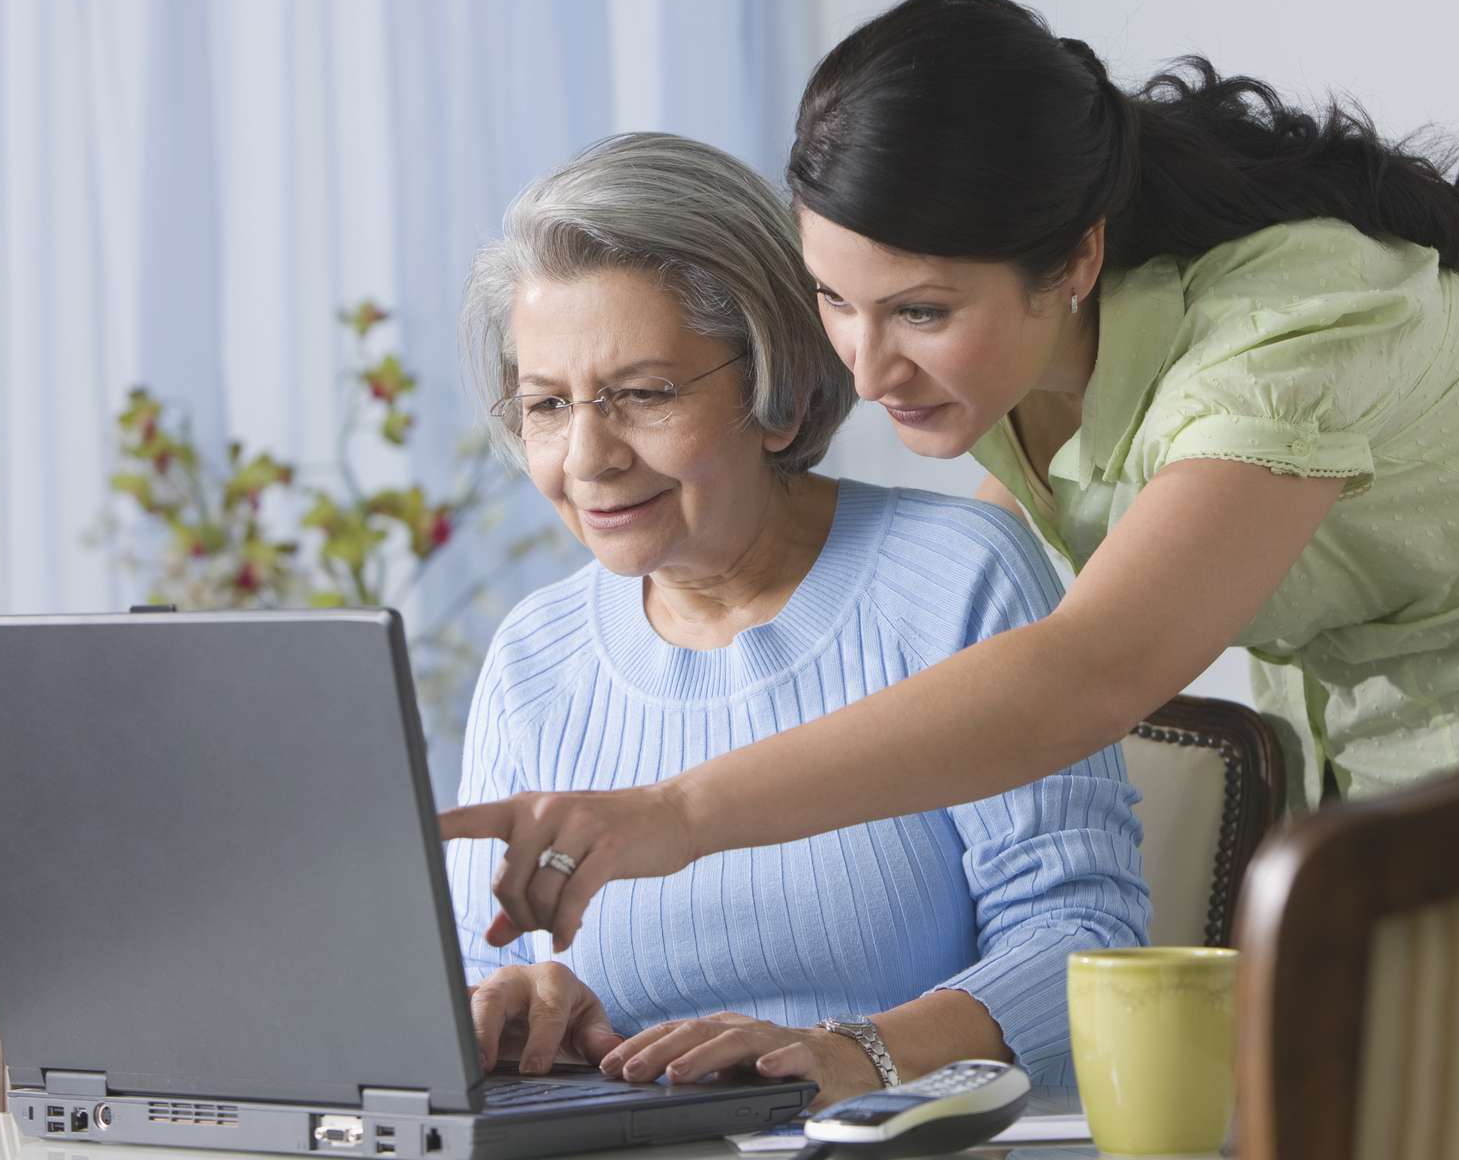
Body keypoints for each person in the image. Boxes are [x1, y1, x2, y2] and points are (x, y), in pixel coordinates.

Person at [445, 0, 1459, 952]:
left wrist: (679, 811)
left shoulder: (1280, 335)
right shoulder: (1006, 376)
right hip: (1377, 714)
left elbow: (1088, 670)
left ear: (1072, 258)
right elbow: (968, 657)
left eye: (917, 310)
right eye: (835, 301)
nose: (867, 363)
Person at [437, 132, 1149, 1105]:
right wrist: (520, 1002)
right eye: (547, 405)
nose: (588, 457)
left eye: (642, 394)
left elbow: (1086, 933)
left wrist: (855, 1053)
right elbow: (479, 979)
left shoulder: (954, 578)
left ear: (776, 390)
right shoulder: (534, 654)